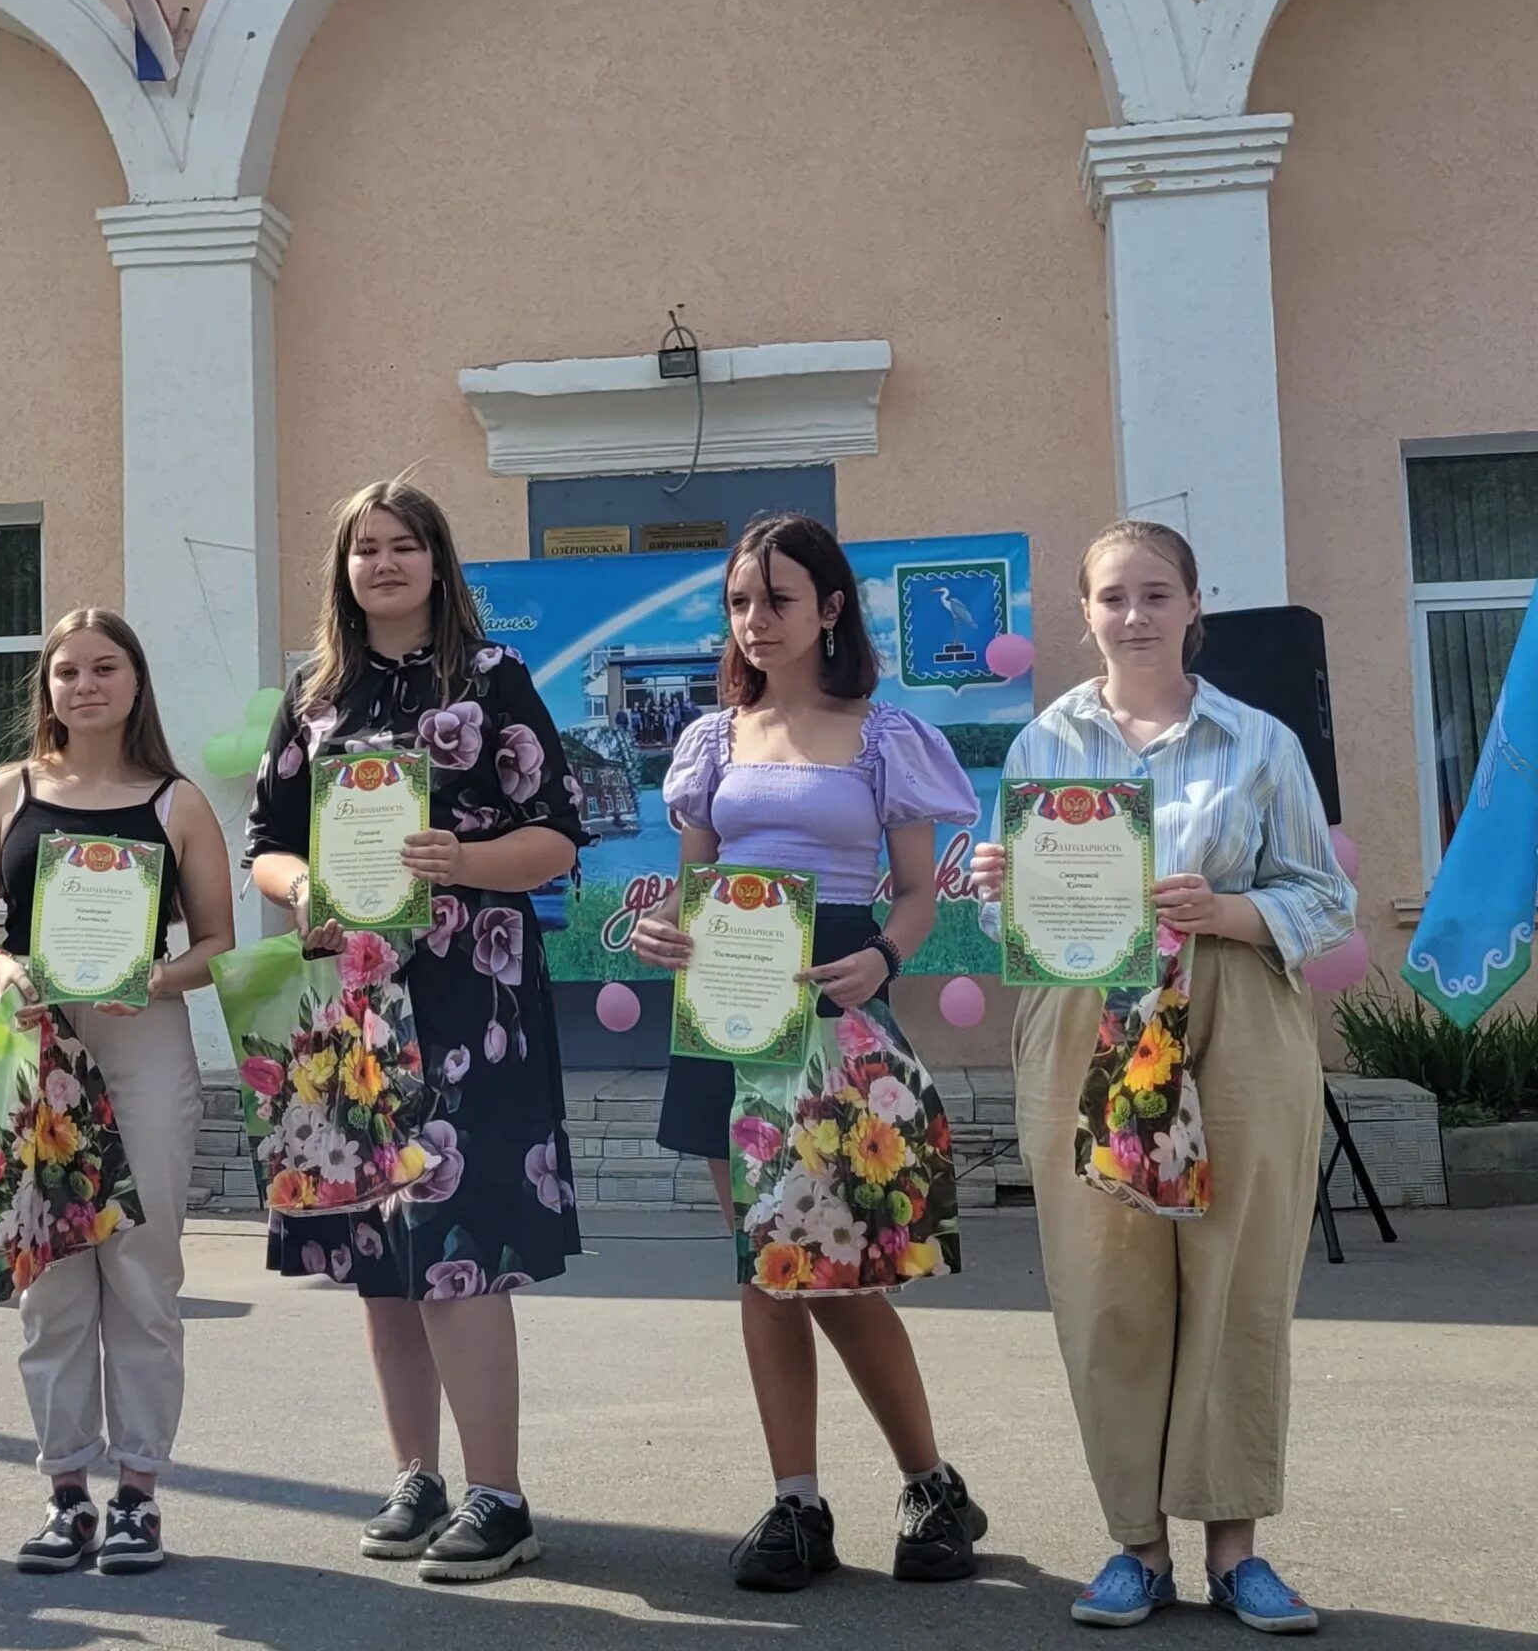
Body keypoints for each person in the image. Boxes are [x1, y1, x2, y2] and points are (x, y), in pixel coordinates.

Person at [967, 521, 1352, 1635]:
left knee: (1234, 1276)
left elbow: (1322, 895)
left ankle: (1235, 1547)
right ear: (1082, 614)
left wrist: (1231, 912)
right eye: (1110, 597)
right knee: (1104, 1283)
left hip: (1234, 1007)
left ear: (1194, 606)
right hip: (1089, 1011)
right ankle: (1134, 1545)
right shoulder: (1044, 742)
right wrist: (997, 879)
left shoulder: (1259, 741)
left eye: (1153, 593)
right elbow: (1021, 918)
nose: (1132, 614)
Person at [627, 514, 988, 1591]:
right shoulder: (710, 741)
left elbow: (920, 892)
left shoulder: (884, 735)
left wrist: (883, 955)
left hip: (837, 1001)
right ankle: (796, 1503)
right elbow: (697, 888)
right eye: (740, 602)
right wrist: (665, 935)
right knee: (763, 1269)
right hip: (729, 1009)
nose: (755, 621)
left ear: (830, 607)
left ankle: (930, 1485)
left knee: (829, 1271)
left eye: (777, 599)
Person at [247, 478, 585, 1585]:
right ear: (342, 572)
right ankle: (418, 1476)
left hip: (469, 1002)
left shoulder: (492, 683)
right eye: (364, 549)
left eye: (403, 547)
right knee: (380, 1258)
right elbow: (268, 840)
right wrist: (299, 886)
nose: (383, 564)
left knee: (460, 1246)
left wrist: (462, 863)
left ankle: (500, 1496)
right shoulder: (313, 694)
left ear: (439, 565)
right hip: (353, 1005)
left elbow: (557, 842)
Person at [0, 608, 235, 1575]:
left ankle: (140, 1496)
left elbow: (216, 942)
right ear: (48, 690)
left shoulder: (176, 802)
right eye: (66, 672)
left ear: (136, 681)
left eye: (103, 667)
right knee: (53, 1276)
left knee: (142, 1271)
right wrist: (1, 968)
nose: (85, 685)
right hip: (37, 1046)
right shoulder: (7, 794)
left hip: (143, 1039)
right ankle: (67, 1492)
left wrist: (150, 979)